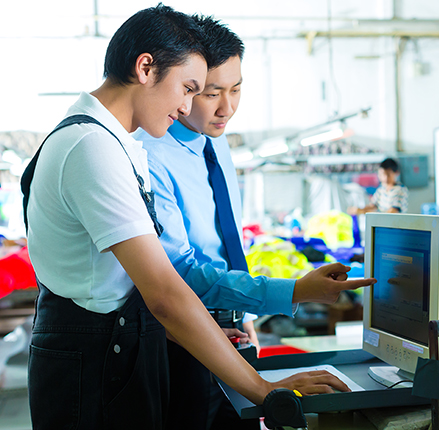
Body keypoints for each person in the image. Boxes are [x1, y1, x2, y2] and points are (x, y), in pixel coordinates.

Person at [22, 5, 376, 429]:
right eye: (191, 88)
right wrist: (264, 390)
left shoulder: (115, 143)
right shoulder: (91, 148)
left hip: (122, 344)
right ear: (146, 68)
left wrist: (182, 334)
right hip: (94, 360)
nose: (188, 106)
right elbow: (166, 293)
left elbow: (121, 280)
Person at [135, 14, 375, 430]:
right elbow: (181, 274)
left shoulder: (219, 143)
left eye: (237, 88)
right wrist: (295, 290)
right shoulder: (150, 155)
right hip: (182, 340)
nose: (227, 107)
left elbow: (227, 243)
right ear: (184, 87)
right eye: (211, 93)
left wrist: (243, 314)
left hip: (232, 332)